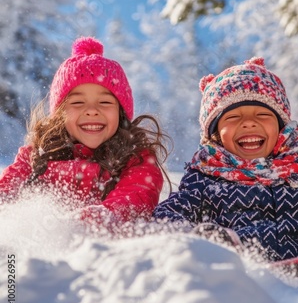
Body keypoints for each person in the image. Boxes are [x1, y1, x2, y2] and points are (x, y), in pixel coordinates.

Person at [153, 57, 298, 261]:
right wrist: (200, 240)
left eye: (262, 114)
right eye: (233, 117)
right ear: (215, 133)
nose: (249, 123)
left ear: (280, 125)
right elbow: (168, 216)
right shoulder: (206, 177)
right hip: (242, 276)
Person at [0, 36, 170, 225]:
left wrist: (80, 224)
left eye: (105, 102)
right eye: (78, 102)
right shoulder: (34, 157)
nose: (91, 111)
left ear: (120, 113)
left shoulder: (136, 160)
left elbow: (134, 200)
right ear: (59, 114)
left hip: (101, 251)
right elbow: (5, 194)